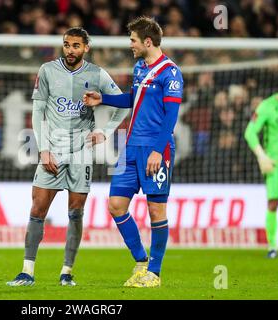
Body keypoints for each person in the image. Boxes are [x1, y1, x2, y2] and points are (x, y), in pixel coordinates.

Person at [6, 27, 130, 286]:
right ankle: (27, 271)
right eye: (66, 45)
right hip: (52, 149)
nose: (70, 50)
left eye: (75, 45)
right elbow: (37, 112)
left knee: (76, 211)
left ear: (86, 47)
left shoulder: (97, 74)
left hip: (81, 152)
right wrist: (43, 149)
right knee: (38, 208)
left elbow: (122, 103)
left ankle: (66, 272)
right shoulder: (47, 71)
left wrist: (105, 132)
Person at [83, 16, 183, 288]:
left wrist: (157, 151)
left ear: (147, 41)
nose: (131, 45)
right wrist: (103, 99)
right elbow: (132, 98)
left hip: (155, 148)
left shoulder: (170, 73)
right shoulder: (140, 67)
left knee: (156, 210)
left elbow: (170, 118)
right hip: (130, 147)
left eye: (133, 41)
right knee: (115, 205)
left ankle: (155, 273)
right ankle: (141, 261)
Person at [244, 77, 278, 259]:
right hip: (273, 165)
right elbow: (250, 132)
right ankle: (272, 245)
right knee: (273, 203)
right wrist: (261, 155)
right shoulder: (266, 106)